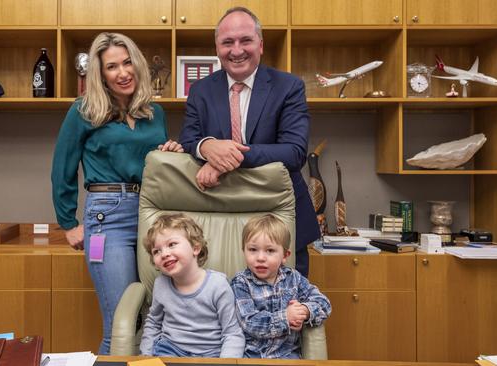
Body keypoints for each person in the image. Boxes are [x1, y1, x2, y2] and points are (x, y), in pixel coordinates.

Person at [51, 32, 182, 355]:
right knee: (121, 323)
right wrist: (68, 223)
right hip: (106, 216)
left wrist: (171, 152)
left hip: (152, 215)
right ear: (100, 73)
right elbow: (62, 167)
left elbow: (155, 166)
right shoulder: (83, 110)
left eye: (127, 63)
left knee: (152, 316)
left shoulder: (154, 113)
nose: (123, 72)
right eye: (112, 66)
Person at [178, 7, 319, 276]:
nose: (236, 50)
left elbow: (294, 152)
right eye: (227, 42)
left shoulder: (288, 86)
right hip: (221, 217)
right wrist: (207, 146)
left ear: (261, 45)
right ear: (217, 48)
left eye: (246, 40)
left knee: (286, 310)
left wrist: (225, 159)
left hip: (281, 219)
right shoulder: (200, 90)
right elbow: (189, 138)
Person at [140, 213, 245, 358]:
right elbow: (153, 323)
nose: (164, 254)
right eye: (156, 251)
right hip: (170, 350)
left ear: (196, 248)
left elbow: (232, 333)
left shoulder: (218, 285)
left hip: (210, 355)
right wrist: (145, 355)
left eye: (172, 244)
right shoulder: (161, 284)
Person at [231, 214, 331, 359]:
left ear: (285, 255)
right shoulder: (240, 283)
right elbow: (250, 323)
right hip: (252, 356)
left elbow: (324, 303)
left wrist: (304, 312)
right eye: (253, 249)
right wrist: (286, 317)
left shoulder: (293, 278)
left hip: (287, 355)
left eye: (270, 251)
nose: (260, 258)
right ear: (244, 251)